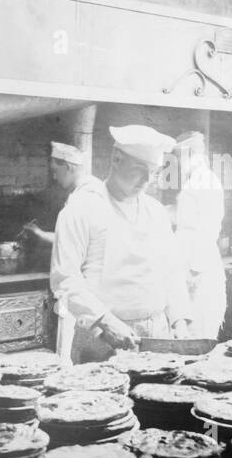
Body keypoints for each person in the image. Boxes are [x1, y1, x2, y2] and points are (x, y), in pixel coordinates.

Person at [50, 125, 192, 362]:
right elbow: (65, 279)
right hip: (101, 338)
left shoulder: (155, 211)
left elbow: (172, 271)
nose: (147, 180)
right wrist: (105, 322)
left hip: (157, 334)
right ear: (116, 159)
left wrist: (179, 321)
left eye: (154, 172)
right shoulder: (82, 208)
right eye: (140, 170)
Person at [23, 142, 104, 359]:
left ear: (69, 166)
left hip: (84, 294)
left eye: (55, 171)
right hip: (93, 298)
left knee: (75, 355)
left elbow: (70, 262)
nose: (55, 177)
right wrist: (39, 233)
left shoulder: (82, 200)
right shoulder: (95, 192)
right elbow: (73, 241)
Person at [170, 130, 227, 340]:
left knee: (199, 327)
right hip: (189, 258)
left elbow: (209, 228)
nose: (176, 162)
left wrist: (195, 269)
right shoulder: (194, 180)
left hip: (199, 267)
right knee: (189, 327)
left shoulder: (206, 180)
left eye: (179, 156)